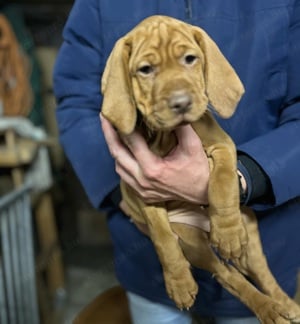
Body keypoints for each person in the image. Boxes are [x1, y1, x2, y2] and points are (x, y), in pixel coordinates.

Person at [53, 1, 300, 323]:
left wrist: (247, 177)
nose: (178, 97)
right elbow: (76, 99)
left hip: (266, 236)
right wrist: (128, 192)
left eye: (188, 59)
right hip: (146, 256)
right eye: (147, 68)